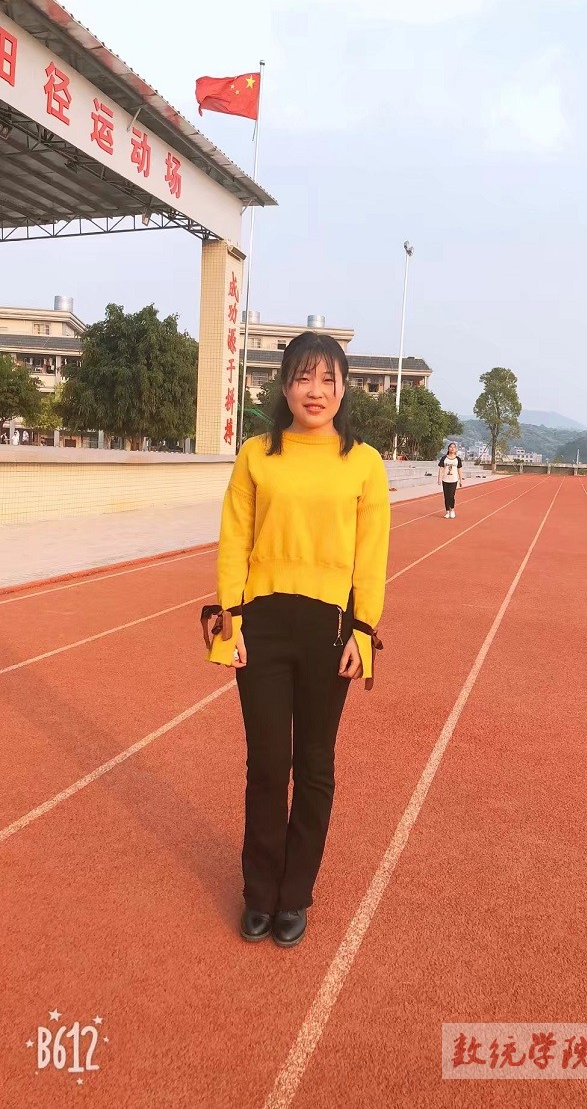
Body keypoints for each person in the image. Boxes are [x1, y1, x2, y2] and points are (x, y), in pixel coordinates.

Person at [202, 331, 390, 948]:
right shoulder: (257, 454)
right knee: (266, 764)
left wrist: (363, 630)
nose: (316, 390)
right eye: (304, 377)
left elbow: (371, 556)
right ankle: (259, 892)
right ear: (283, 387)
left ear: (344, 389)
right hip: (262, 623)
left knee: (314, 766)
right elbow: (235, 537)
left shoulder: (363, 462)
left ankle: (295, 895)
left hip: (329, 631)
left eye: (328, 378)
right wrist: (231, 619)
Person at [438, 442, 463, 518]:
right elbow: (441, 469)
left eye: (453, 447)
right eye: (451, 447)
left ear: (456, 449)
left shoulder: (457, 459)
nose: (452, 448)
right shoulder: (444, 458)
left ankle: (452, 509)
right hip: (445, 479)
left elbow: (459, 470)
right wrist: (439, 478)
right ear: (448, 448)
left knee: (451, 495)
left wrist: (461, 480)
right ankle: (447, 511)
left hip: (454, 480)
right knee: (446, 496)